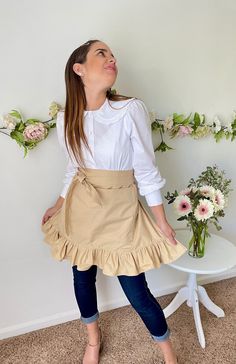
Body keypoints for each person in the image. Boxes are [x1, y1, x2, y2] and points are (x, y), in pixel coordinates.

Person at [41, 39, 186, 364]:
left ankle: (168, 355)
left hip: (121, 209)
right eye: (101, 53)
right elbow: (73, 167)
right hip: (82, 208)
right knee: (82, 277)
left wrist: (161, 220)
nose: (111, 58)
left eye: (112, 54)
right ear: (79, 69)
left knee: (136, 291)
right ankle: (93, 339)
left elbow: (146, 170)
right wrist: (59, 203)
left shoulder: (129, 109)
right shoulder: (66, 118)